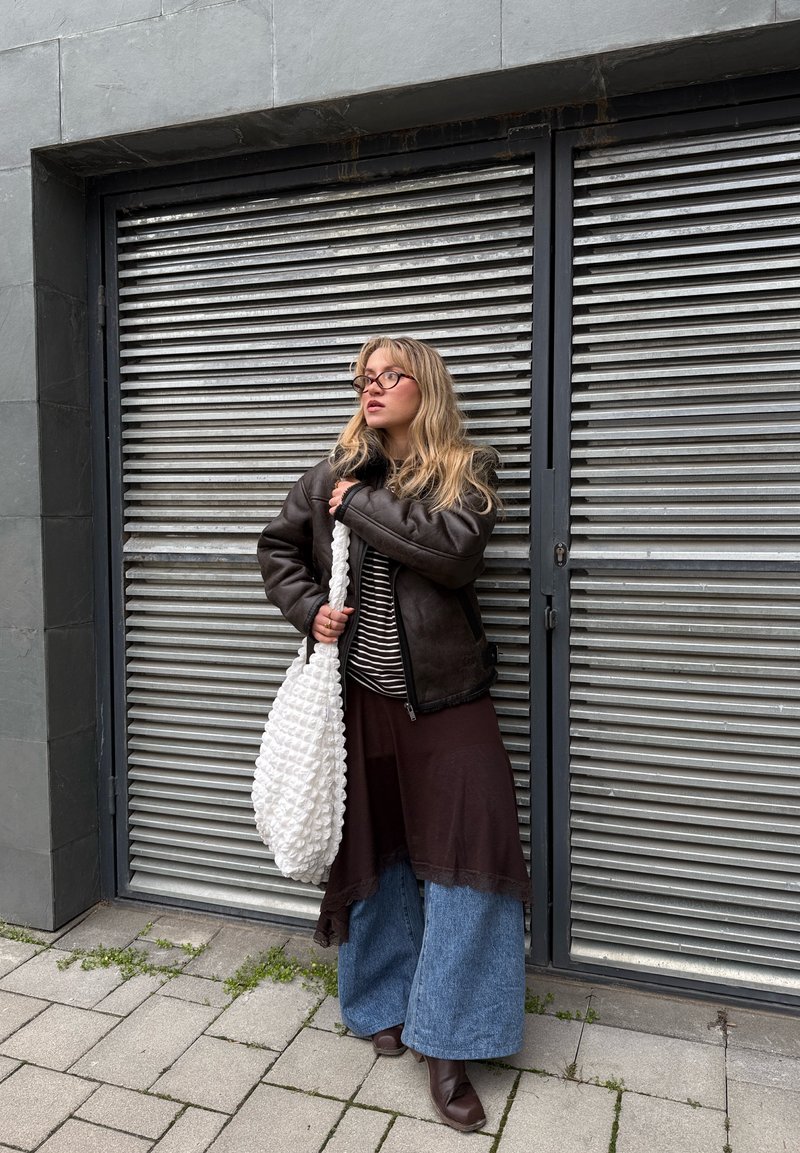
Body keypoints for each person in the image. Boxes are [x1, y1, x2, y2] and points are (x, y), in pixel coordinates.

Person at [257, 336, 529, 1133]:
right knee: (372, 849)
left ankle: (452, 1042)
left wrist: (358, 503)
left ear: (425, 385)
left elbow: (452, 554)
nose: (372, 388)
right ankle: (380, 1002)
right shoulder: (334, 467)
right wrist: (310, 608)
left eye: (389, 376)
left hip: (448, 697)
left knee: (472, 858)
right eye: (362, 379)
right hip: (357, 702)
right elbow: (276, 549)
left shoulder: (467, 470)